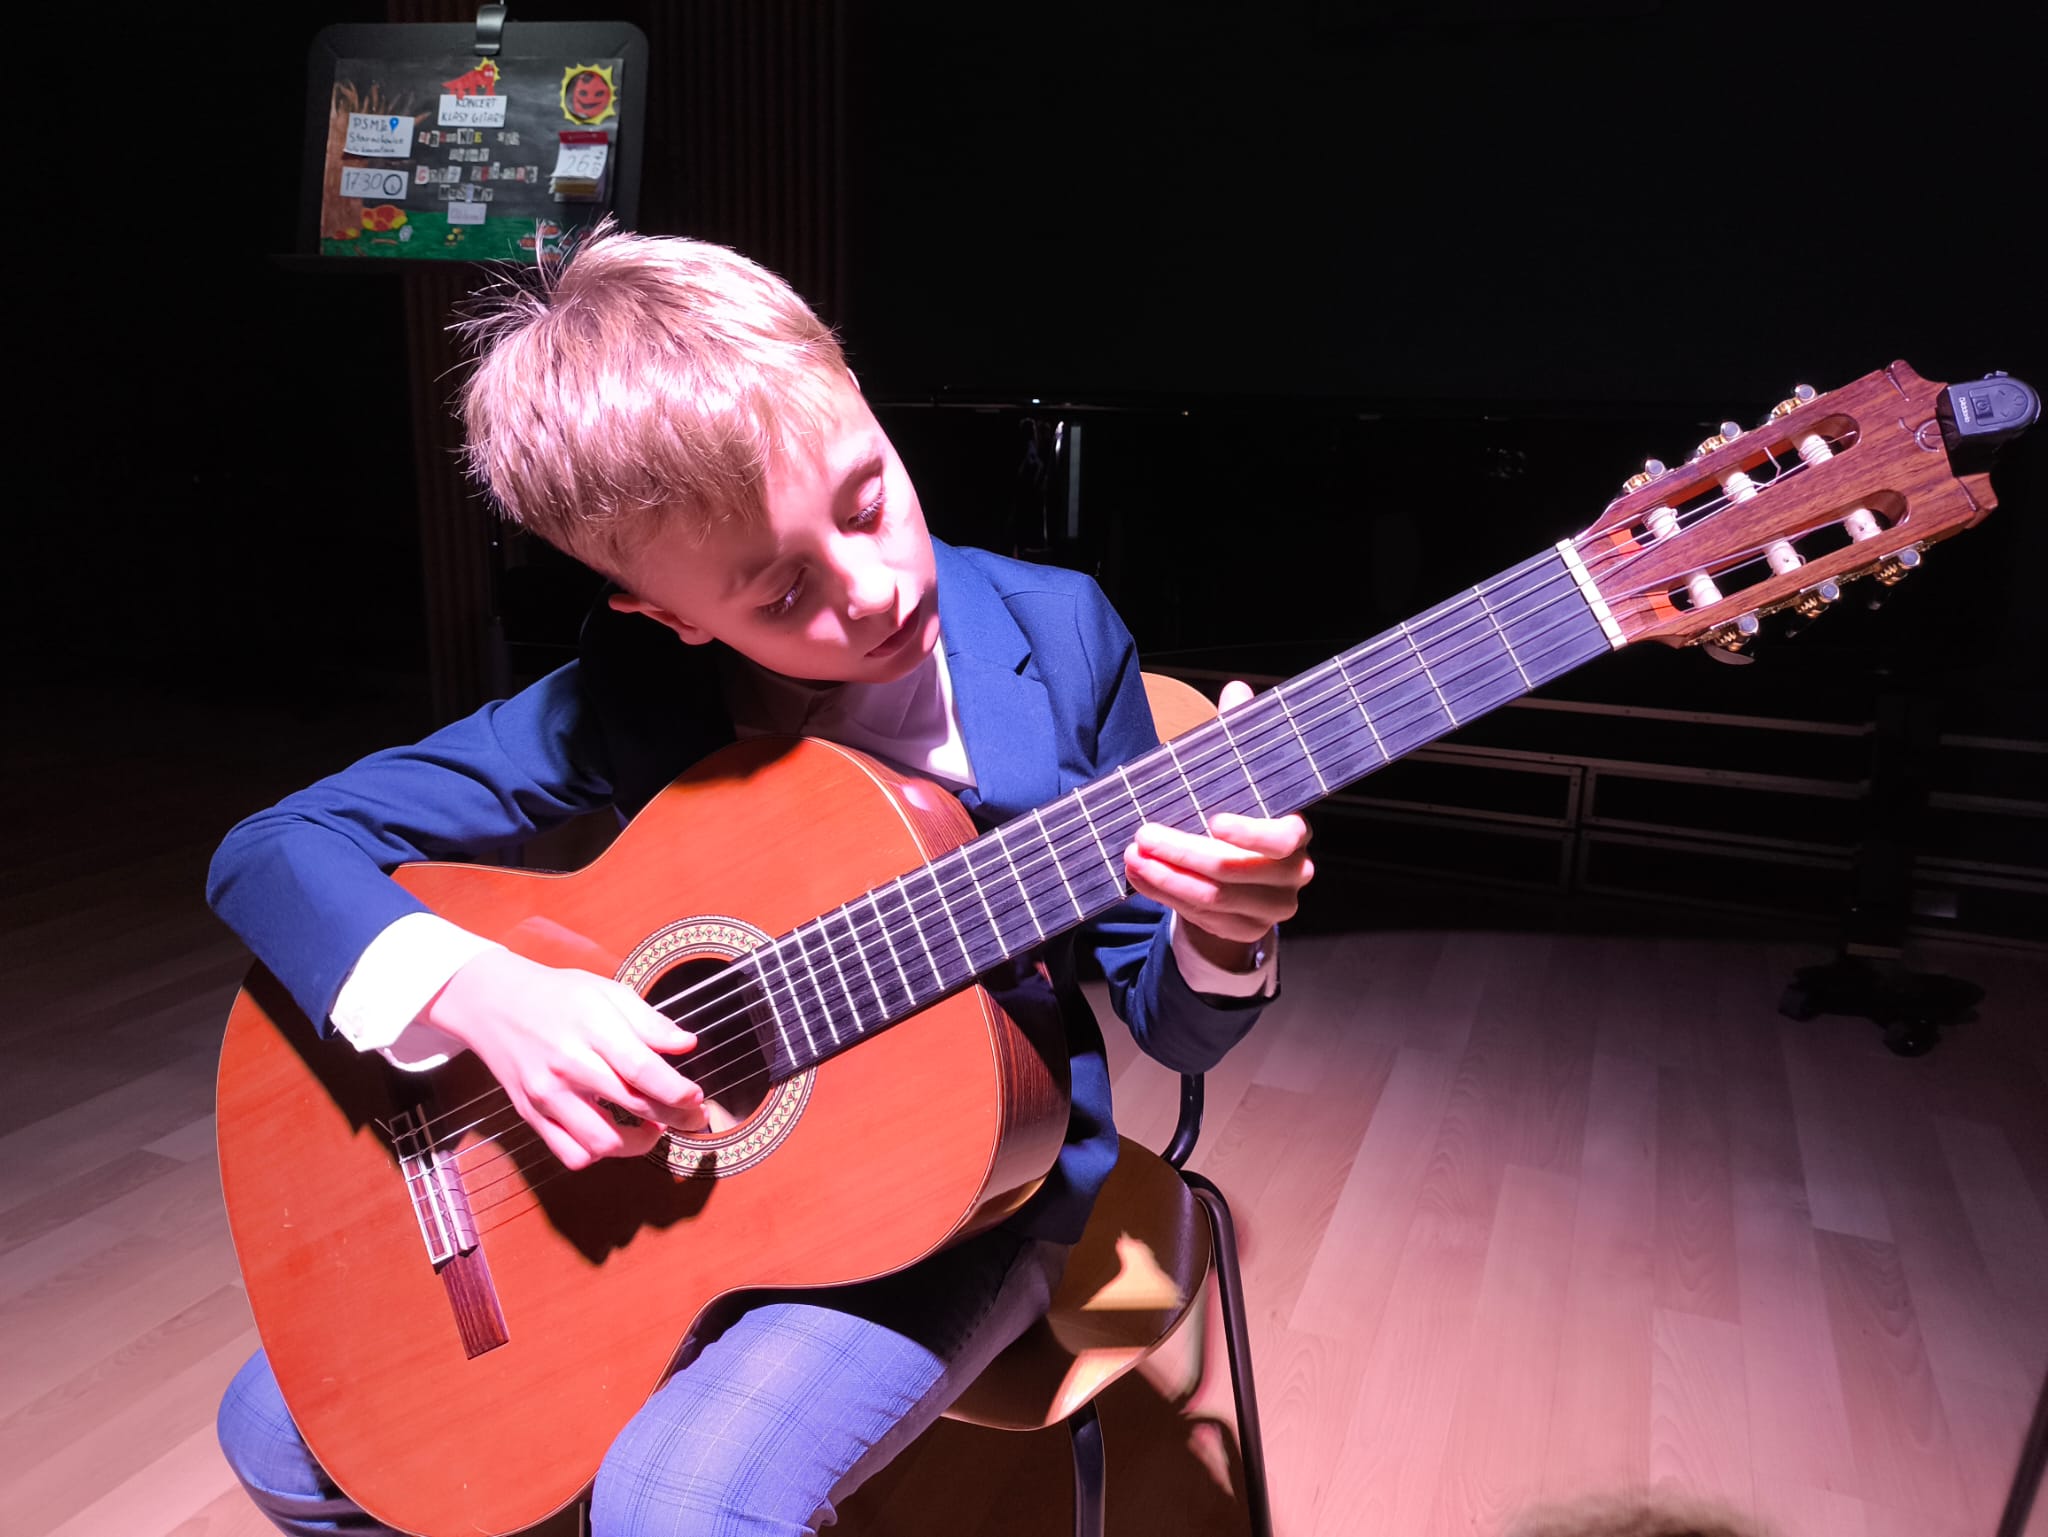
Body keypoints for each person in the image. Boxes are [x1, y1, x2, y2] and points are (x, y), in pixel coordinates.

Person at [208, 223, 1314, 1535]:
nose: (876, 588)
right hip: (671, 1198)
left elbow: (1171, 1021)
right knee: (285, 1437)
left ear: (855, 393)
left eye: (868, 499)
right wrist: (485, 997)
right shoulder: (632, 693)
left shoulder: (1060, 636)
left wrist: (1218, 937)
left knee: (679, 1501)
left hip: (960, 1201)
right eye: (781, 594)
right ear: (671, 616)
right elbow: (271, 851)